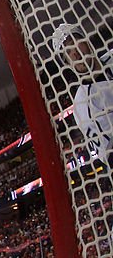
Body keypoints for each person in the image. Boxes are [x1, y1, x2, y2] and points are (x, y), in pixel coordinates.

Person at [52, 23, 113, 164]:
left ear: (86, 41)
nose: (75, 52)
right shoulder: (82, 106)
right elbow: (110, 155)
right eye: (68, 51)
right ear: (67, 63)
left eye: (75, 43)